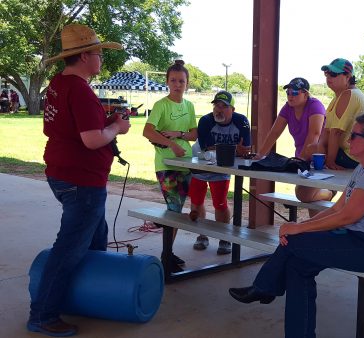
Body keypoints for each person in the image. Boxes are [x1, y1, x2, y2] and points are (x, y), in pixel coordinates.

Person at [229, 112, 364, 338]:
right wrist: (302, 225)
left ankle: (265, 287)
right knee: (297, 265)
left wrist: (298, 230)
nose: (347, 140)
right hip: (360, 240)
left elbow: (348, 217)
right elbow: (337, 209)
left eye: (353, 135)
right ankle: (288, 320)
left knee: (294, 243)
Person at [28, 23, 130, 337]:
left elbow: (77, 127)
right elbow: (90, 140)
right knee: (70, 248)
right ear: (85, 56)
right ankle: (43, 315)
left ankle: (90, 295)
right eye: (98, 53)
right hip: (80, 180)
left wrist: (107, 120)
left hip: (63, 174)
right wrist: (117, 129)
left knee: (96, 237)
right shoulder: (81, 90)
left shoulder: (60, 83)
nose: (101, 58)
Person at [142, 60, 198, 272]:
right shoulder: (161, 105)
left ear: (187, 83)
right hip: (166, 165)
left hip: (186, 165)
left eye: (181, 81)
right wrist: (172, 144)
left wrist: (179, 135)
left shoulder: (189, 106)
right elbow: (147, 131)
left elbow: (194, 133)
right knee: (174, 209)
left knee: (178, 210)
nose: (177, 85)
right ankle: (166, 258)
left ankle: (169, 252)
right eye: (173, 80)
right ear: (166, 82)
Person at [254, 77, 330, 214]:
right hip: (302, 160)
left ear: (306, 94)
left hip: (319, 160)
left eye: (295, 93)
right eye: (288, 92)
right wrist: (261, 154)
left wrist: (300, 159)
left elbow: (315, 134)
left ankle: (329, 193)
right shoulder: (288, 108)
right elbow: (274, 132)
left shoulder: (315, 105)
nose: (290, 96)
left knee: (305, 196)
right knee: (309, 201)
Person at [189, 90, 251, 254]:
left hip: (223, 166)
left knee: (220, 203)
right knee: (196, 201)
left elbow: (245, 150)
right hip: (201, 163)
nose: (219, 109)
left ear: (233, 109)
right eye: (217, 105)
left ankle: (224, 237)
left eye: (224, 106)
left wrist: (234, 150)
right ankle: (202, 235)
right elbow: (206, 147)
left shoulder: (242, 121)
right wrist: (233, 149)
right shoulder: (206, 121)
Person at [317, 58, 364, 170]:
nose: (328, 78)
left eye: (333, 74)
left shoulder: (349, 94)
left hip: (355, 158)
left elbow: (336, 132)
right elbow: (326, 133)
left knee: (310, 151)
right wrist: (320, 151)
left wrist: (329, 162)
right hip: (351, 154)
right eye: (326, 74)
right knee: (313, 151)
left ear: (348, 77)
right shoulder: (339, 97)